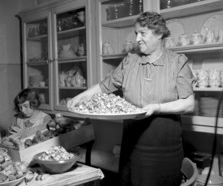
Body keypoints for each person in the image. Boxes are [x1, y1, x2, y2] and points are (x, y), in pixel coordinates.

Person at [67, 11, 195, 186]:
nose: (137, 39)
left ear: (159, 34)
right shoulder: (130, 61)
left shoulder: (177, 62)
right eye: (136, 33)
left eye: (143, 33)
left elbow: (188, 104)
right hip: (132, 147)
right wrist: (78, 97)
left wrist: (157, 107)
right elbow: (105, 86)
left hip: (164, 150)